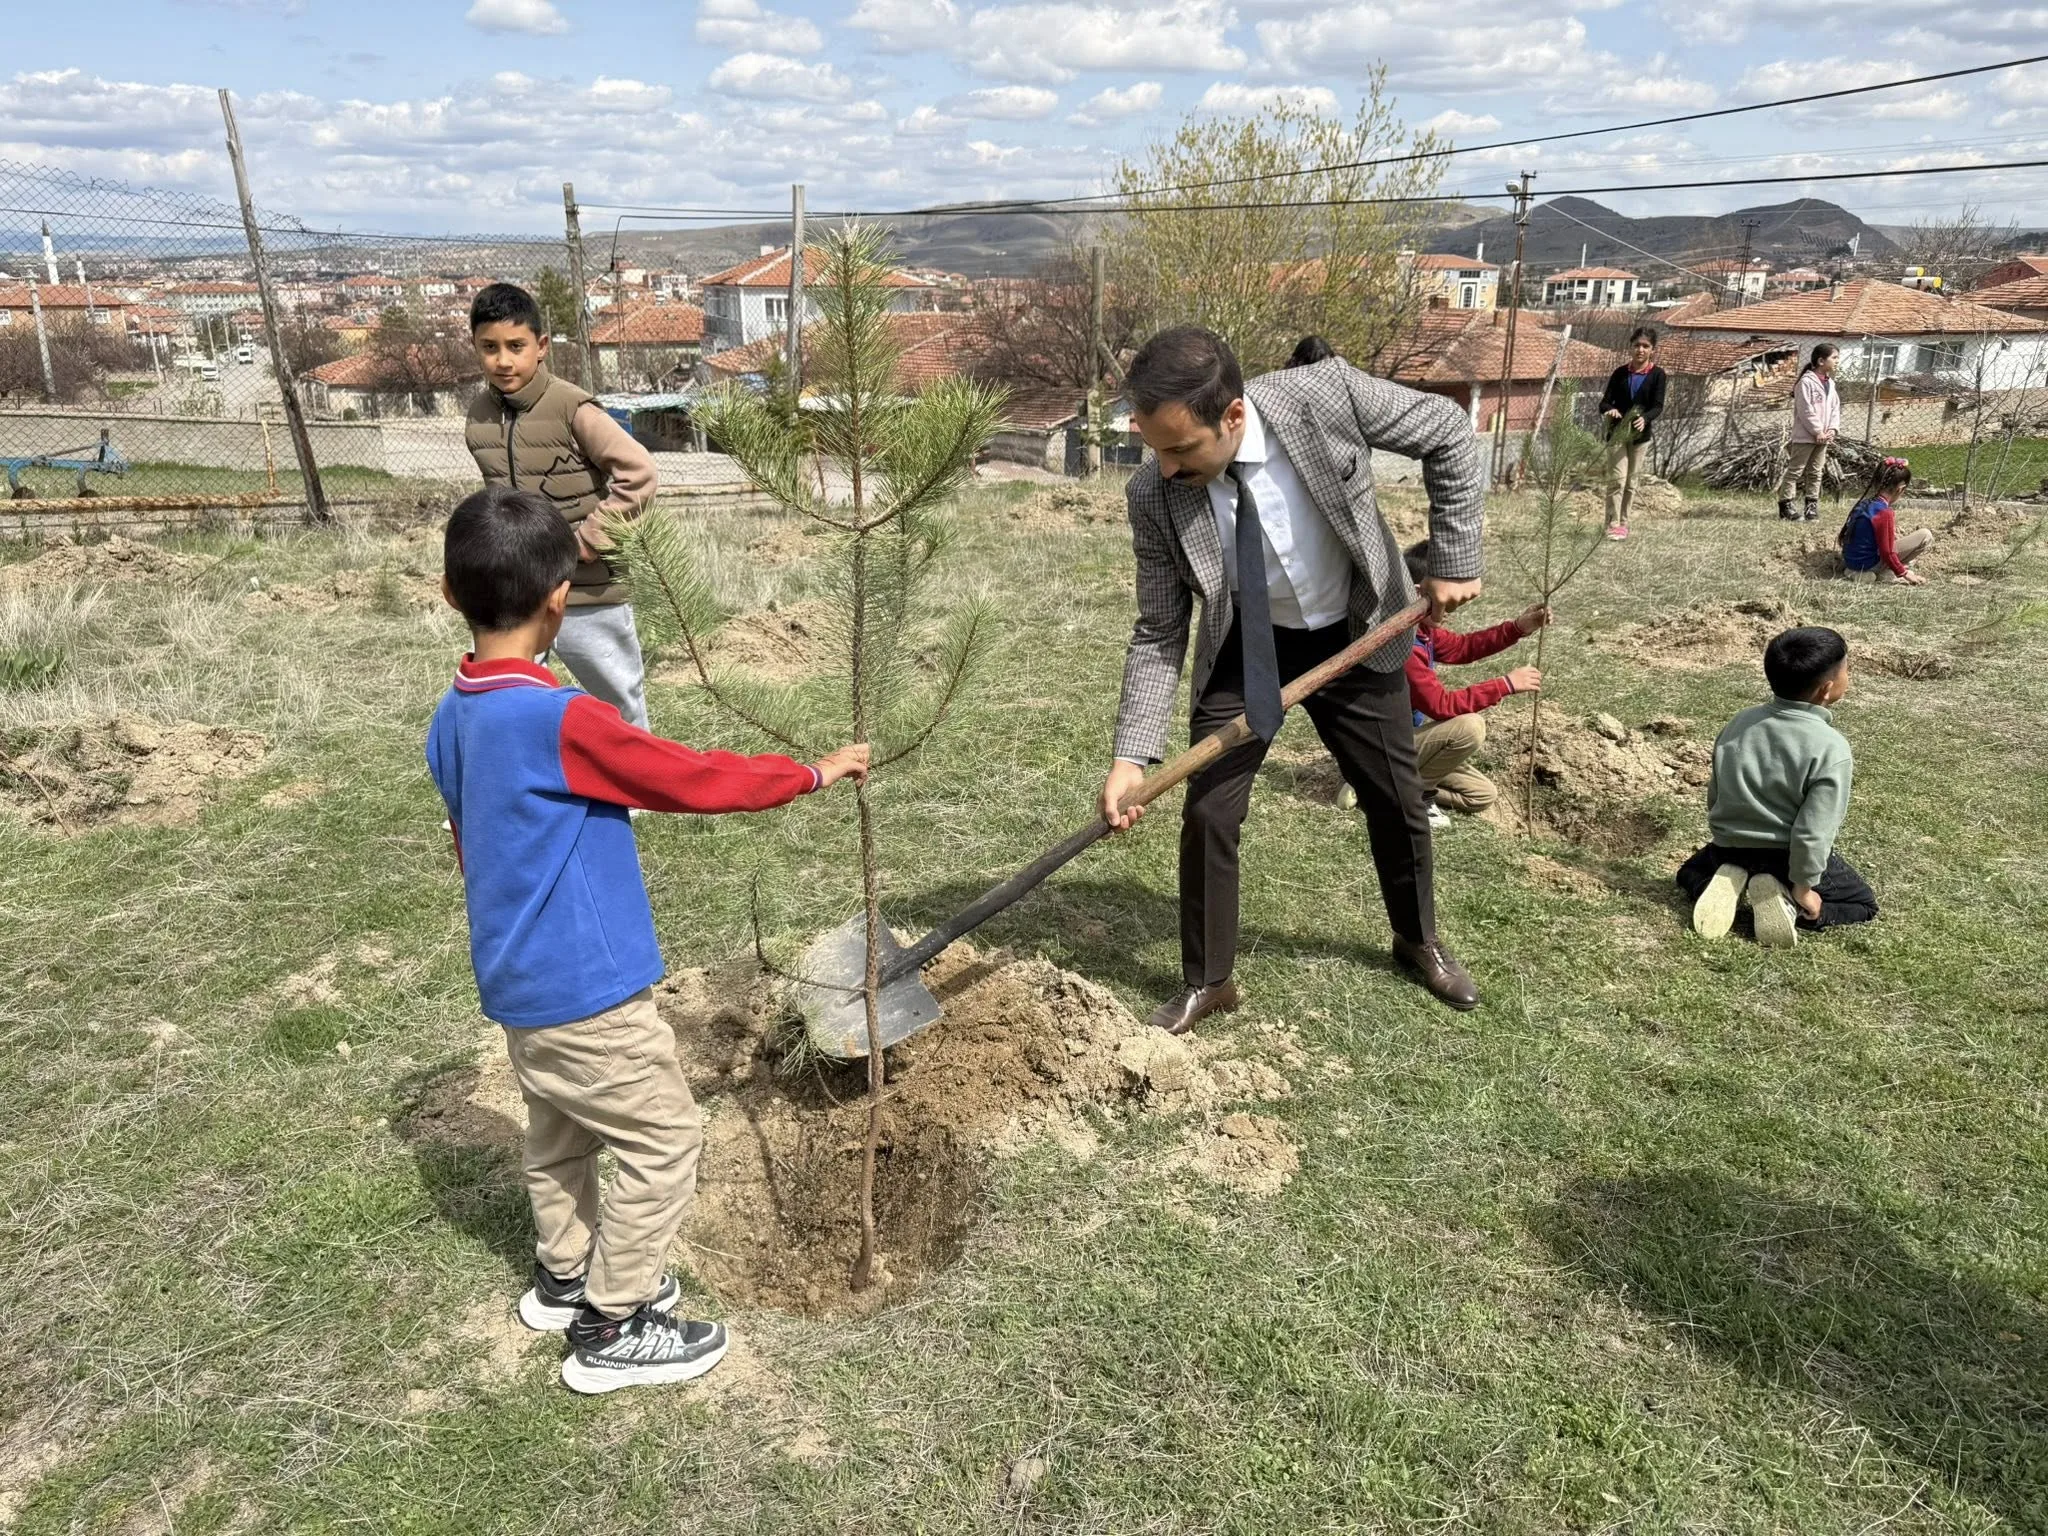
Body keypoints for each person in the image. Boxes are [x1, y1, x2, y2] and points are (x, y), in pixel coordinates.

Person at [425, 485, 869, 1394]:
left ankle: (562, 1275)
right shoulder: (561, 718)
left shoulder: (451, 716)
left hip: (516, 983)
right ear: (561, 597)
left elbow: (474, 842)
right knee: (664, 1138)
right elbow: (686, 777)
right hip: (586, 988)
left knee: (559, 1135)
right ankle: (615, 1322)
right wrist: (810, 773)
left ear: (447, 593)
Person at [1099, 325, 1487, 1032]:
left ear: (1235, 415)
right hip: (1246, 644)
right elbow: (1159, 629)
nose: (1166, 467)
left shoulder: (1324, 396)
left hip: (1355, 627)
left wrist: (1455, 554)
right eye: (1155, 449)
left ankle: (1417, 939)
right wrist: (1131, 757)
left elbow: (1448, 431)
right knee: (1209, 813)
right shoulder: (1153, 495)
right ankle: (1209, 980)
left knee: (1396, 799)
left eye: (1183, 448)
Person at [467, 282, 659, 728]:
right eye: (489, 347)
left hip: (590, 591)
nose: (504, 360)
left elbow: (640, 473)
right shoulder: (477, 417)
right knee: (516, 703)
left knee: (618, 705)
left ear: (541, 346)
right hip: (517, 593)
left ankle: (634, 796)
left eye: (516, 346)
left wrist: (586, 543)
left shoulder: (573, 408)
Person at [1675, 625, 1877, 948]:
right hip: (1784, 859)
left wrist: (1726, 839)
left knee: (1688, 873)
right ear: (1826, 689)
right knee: (1863, 904)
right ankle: (1785, 902)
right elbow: (1813, 833)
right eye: (1847, 670)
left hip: (1728, 848)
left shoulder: (1739, 723)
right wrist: (1803, 888)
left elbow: (1716, 795)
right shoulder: (1830, 748)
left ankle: (1724, 883)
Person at [1400, 540, 1549, 823]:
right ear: (1421, 591)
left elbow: (1463, 647)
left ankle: (1382, 787)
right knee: (1469, 728)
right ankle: (1417, 795)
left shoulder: (1423, 629)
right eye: (1448, 598)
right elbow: (1441, 706)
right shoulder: (1403, 643)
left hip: (1407, 744)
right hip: (1387, 746)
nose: (1454, 606)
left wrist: (1518, 628)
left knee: (1481, 794)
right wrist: (1505, 684)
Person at [1596, 327, 1667, 541]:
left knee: (1631, 482)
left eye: (1645, 346)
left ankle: (1624, 523)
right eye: (1637, 345)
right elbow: (1604, 402)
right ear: (1630, 347)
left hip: (1640, 437)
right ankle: (1612, 523)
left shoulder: (1658, 375)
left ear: (1652, 350)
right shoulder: (1620, 374)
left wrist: (1644, 418)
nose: (1640, 350)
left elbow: (1658, 406)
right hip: (1617, 434)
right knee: (1617, 479)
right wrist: (1610, 409)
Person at [1839, 456, 1932, 585]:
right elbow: (1887, 552)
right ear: (1900, 489)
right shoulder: (1884, 512)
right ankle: (1885, 572)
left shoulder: (1864, 504)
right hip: (1870, 563)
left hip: (1851, 561)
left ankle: (1854, 572)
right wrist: (1904, 573)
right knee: (1925, 535)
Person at [1777, 343, 1841, 522]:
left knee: (1816, 472)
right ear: (1821, 360)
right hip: (1806, 436)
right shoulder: (1805, 382)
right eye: (1834, 358)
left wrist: (1832, 429)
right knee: (1796, 471)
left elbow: (1835, 408)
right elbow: (1806, 410)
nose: (1837, 361)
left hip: (1824, 438)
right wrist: (1817, 431)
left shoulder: (1831, 383)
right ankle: (1786, 505)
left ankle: (1811, 507)